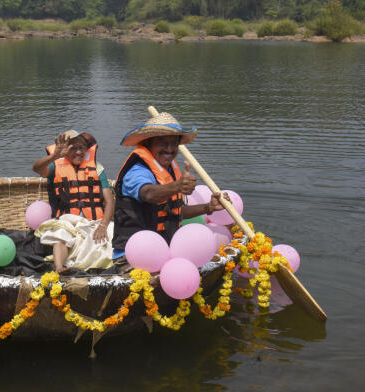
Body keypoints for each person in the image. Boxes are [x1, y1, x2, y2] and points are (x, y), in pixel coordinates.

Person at [112, 112, 230, 267]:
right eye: (162, 143)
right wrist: (177, 186)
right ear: (148, 144)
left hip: (165, 250)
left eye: (174, 143)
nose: (169, 149)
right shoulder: (137, 171)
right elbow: (148, 194)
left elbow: (174, 211)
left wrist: (208, 207)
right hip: (134, 254)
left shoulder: (168, 170)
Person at [32, 130, 115, 273]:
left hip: (94, 221)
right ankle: (59, 267)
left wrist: (103, 226)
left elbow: (109, 201)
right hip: (67, 220)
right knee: (60, 233)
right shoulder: (55, 165)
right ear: (65, 150)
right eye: (73, 148)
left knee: (112, 231)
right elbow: (37, 168)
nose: (78, 152)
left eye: (81, 148)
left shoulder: (97, 167)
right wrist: (54, 156)